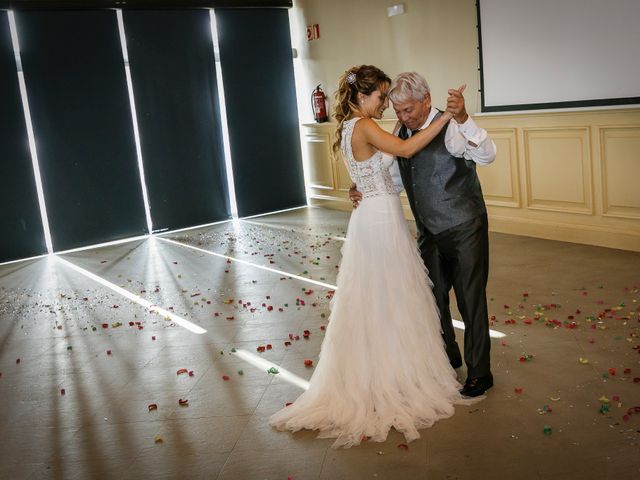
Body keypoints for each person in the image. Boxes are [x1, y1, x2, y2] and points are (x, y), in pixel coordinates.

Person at [269, 65, 479, 449]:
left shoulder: (353, 127)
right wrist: (448, 115)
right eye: (381, 97)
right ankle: (394, 379)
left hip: (373, 216)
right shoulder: (363, 125)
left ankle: (391, 372)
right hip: (380, 220)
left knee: (382, 300)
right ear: (361, 96)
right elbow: (406, 149)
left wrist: (357, 187)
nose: (385, 104)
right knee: (392, 296)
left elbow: (376, 171)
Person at [350, 72, 496, 397]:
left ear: (426, 100)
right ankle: (448, 357)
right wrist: (362, 190)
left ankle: (480, 373)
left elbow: (487, 155)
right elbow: (399, 178)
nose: (403, 117)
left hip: (464, 227)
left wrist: (464, 118)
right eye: (398, 111)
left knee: (470, 301)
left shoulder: (452, 126)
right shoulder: (401, 132)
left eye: (409, 110)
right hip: (428, 231)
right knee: (433, 298)